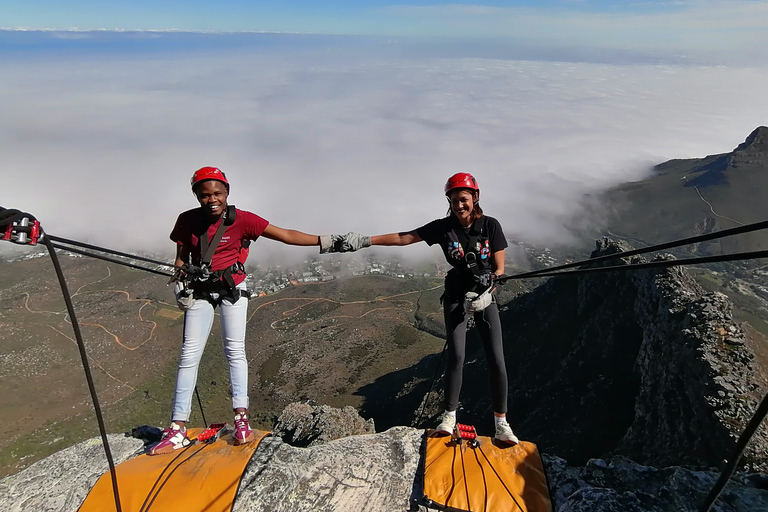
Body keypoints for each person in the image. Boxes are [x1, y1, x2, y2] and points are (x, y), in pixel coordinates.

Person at [150, 166, 343, 455]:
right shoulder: (187, 221)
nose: (212, 199)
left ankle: (241, 419)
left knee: (234, 351)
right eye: (205, 195)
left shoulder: (244, 220)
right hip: (201, 291)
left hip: (232, 290)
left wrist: (326, 241)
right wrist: (180, 281)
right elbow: (180, 259)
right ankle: (177, 426)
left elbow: (286, 235)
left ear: (227, 192)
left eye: (217, 193)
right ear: (196, 196)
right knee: (189, 354)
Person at [337, 172, 517, 444]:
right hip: (456, 295)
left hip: (484, 295)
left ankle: (501, 423)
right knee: (456, 356)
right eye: (454, 200)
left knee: (496, 359)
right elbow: (405, 238)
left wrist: (488, 296)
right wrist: (365, 241)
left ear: (475, 197)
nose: (459, 206)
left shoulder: (491, 226)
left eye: (464, 200)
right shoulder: (443, 228)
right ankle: (449, 417)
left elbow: (500, 271)